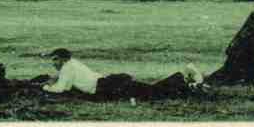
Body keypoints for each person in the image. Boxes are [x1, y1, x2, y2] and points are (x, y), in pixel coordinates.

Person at [40, 48, 205, 100]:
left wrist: (46, 87)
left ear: (63, 59)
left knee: (151, 92)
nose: (53, 63)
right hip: (107, 83)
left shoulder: (67, 68)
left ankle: (183, 77)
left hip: (105, 87)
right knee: (149, 90)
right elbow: (67, 83)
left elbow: (62, 89)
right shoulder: (72, 63)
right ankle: (185, 80)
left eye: (55, 59)